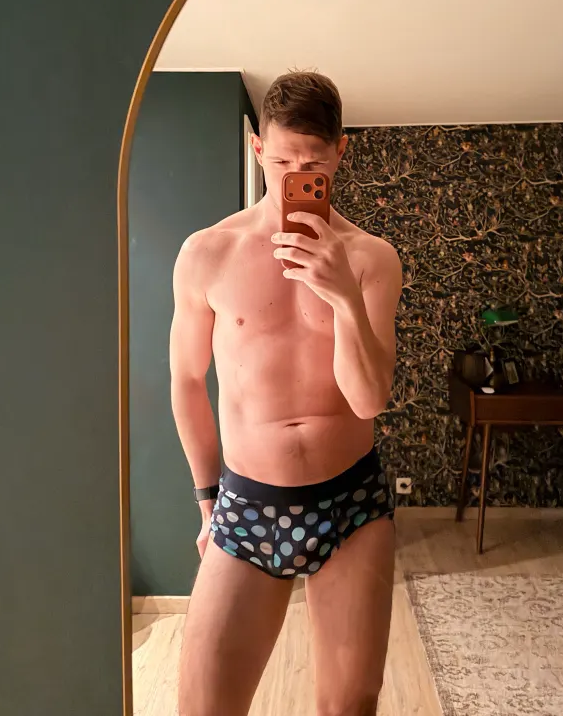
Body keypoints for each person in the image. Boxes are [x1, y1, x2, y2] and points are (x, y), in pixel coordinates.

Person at [170, 71, 403, 716]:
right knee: (204, 706)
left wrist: (344, 297)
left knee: (349, 705)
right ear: (257, 150)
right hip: (247, 503)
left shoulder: (372, 259)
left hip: (351, 506)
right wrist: (207, 500)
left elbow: (368, 400)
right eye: (280, 163)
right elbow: (186, 379)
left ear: (340, 153)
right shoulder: (208, 253)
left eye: (313, 166)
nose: (295, 177)